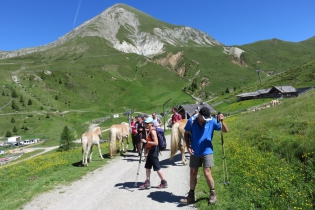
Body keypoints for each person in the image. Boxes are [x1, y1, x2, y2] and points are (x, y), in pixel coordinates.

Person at [180, 107, 228, 205]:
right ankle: (191, 196)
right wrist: (188, 146)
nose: (206, 120)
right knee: (193, 173)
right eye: (204, 118)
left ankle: (213, 193)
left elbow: (225, 130)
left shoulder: (211, 121)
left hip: (207, 151)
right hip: (195, 152)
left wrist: (222, 121)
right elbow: (186, 133)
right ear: (199, 115)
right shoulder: (191, 121)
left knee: (207, 172)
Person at [139, 117, 168, 189]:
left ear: (151, 124)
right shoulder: (149, 130)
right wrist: (146, 151)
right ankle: (147, 182)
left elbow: (156, 143)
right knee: (147, 166)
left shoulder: (152, 131)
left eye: (147, 123)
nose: (146, 124)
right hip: (150, 151)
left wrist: (146, 142)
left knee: (157, 167)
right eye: (145, 123)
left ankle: (164, 182)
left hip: (154, 150)